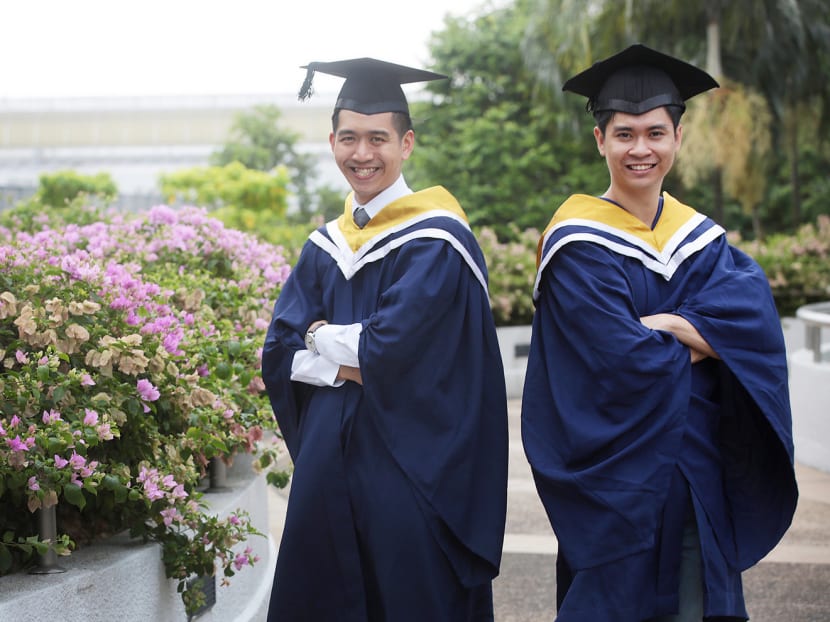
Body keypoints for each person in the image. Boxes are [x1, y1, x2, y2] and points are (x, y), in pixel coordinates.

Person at [521, 44, 798, 621]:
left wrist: (670, 326)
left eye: (654, 132)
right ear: (600, 141)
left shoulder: (702, 238)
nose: (640, 149)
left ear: (677, 137)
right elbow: (618, 360)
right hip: (618, 483)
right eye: (624, 134)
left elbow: (757, 324)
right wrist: (704, 336)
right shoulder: (577, 245)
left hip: (699, 472)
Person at [261, 57, 509, 621]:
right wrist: (342, 354)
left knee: (411, 596)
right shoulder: (325, 245)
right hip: (328, 463)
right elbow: (279, 348)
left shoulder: (437, 239)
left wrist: (320, 338)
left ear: (407, 143)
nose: (362, 153)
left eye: (378, 138)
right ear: (331, 141)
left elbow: (396, 351)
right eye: (348, 138)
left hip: (410, 463)